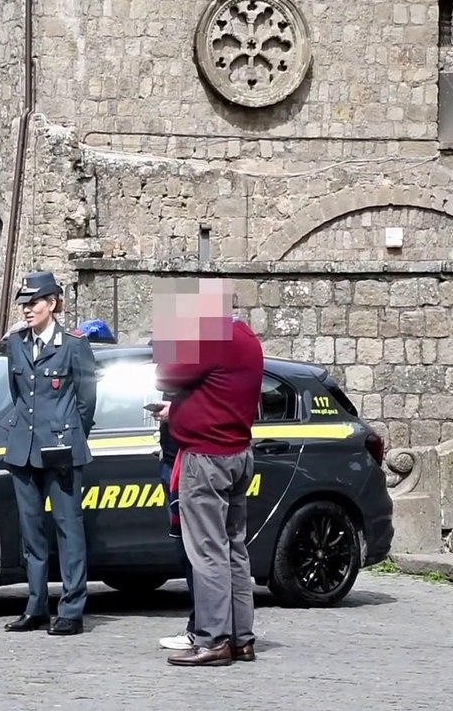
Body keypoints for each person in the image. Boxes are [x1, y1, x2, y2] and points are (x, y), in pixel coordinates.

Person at [155, 279, 263, 667]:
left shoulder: (213, 340)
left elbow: (166, 373)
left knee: (207, 551)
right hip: (237, 453)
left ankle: (212, 639)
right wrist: (179, 411)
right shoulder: (247, 337)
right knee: (234, 548)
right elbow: (216, 393)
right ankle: (241, 637)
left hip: (206, 458)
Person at [1, 270, 98, 636]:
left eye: (34, 303)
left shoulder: (74, 343)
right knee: (31, 532)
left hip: (61, 449)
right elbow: (18, 396)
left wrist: (69, 435)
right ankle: (36, 604)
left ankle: (71, 608)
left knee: (68, 528)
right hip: (23, 449)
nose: (27, 310)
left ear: (53, 303)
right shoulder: (17, 343)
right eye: (24, 304)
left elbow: (86, 402)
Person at [150, 397, 198, 651]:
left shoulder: (200, 359)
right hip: (172, 458)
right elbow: (166, 377)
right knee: (185, 549)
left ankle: (204, 629)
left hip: (191, 458)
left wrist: (177, 412)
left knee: (195, 551)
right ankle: (208, 628)